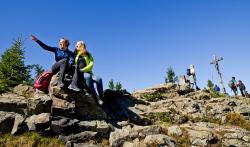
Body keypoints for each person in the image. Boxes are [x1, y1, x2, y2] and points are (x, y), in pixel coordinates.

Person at [68, 41, 103, 105]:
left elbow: (91, 64)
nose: (76, 46)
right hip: (79, 73)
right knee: (88, 77)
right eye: (76, 45)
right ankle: (95, 96)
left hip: (87, 71)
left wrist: (84, 69)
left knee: (99, 79)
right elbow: (71, 61)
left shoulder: (88, 54)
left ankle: (101, 97)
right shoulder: (75, 54)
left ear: (82, 46)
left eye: (77, 45)